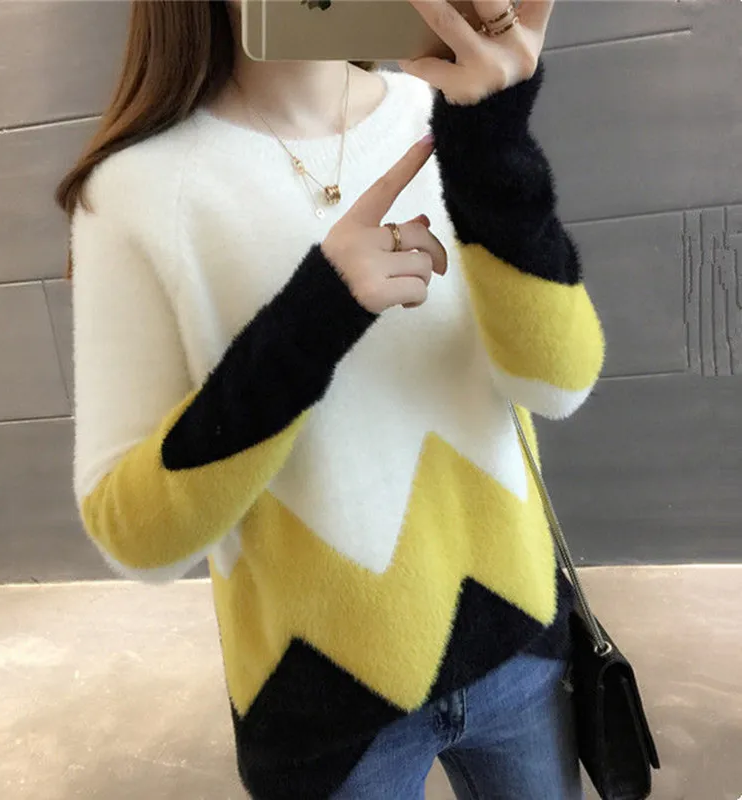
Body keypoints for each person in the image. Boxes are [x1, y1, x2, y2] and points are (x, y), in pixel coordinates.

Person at [57, 0, 604, 797]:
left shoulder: (446, 108)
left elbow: (558, 383)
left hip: (518, 648)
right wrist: (316, 314)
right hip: (322, 703)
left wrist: (497, 143)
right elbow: (134, 534)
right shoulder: (134, 192)